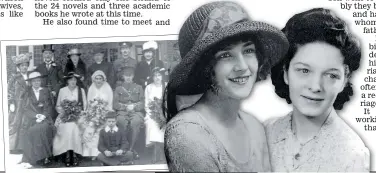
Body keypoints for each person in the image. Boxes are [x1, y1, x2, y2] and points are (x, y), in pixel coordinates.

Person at [163, 1, 289, 172]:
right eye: (226, 55)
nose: (243, 66)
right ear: (205, 68)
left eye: (248, 51)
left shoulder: (254, 126)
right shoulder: (188, 133)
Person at [266, 8, 369, 172]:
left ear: (345, 79)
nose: (316, 87)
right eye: (304, 71)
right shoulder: (266, 132)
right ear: (285, 72)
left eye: (331, 75)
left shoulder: (351, 154)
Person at [17, 72, 56, 168]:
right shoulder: (27, 93)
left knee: (43, 128)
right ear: (31, 82)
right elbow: (25, 108)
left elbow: (49, 106)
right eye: (34, 81)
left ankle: (44, 157)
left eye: (38, 80)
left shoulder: (46, 91)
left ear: (41, 81)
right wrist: (36, 116)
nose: (36, 83)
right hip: (32, 119)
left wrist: (43, 116)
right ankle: (35, 158)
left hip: (45, 118)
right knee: (32, 130)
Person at [53, 72, 87, 167]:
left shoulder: (81, 90)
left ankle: (75, 152)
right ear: (67, 81)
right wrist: (65, 112)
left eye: (75, 80)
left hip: (78, 115)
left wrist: (76, 112)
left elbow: (85, 106)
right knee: (65, 126)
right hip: (64, 114)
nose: (73, 81)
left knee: (75, 126)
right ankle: (67, 152)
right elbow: (58, 106)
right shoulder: (62, 90)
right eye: (71, 79)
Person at [81, 70, 114, 158]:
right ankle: (90, 152)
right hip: (93, 113)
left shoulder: (108, 88)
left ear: (103, 80)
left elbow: (110, 103)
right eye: (96, 79)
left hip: (105, 113)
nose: (98, 81)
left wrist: (103, 113)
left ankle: (99, 152)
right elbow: (89, 103)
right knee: (90, 126)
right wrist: (93, 114)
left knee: (101, 128)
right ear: (93, 80)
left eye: (100, 79)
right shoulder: (91, 88)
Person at [113, 67, 144, 158]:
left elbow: (143, 102)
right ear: (123, 76)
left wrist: (134, 107)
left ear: (133, 76)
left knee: (136, 122)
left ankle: (131, 149)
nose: (128, 78)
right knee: (121, 122)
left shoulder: (139, 87)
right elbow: (115, 104)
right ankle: (125, 148)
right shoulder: (118, 89)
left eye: (130, 76)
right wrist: (125, 107)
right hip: (122, 112)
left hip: (135, 111)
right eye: (126, 76)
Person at [8, 53, 33, 153]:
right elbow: (9, 91)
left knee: (25, 124)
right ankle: (12, 147)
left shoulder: (30, 76)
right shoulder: (14, 77)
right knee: (15, 123)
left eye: (26, 65)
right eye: (22, 66)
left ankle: (22, 146)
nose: (24, 67)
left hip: (28, 104)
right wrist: (11, 103)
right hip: (17, 104)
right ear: (19, 67)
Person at [35, 44, 64, 122]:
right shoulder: (39, 67)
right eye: (46, 53)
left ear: (52, 55)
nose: (48, 55)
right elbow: (36, 81)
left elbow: (62, 81)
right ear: (43, 55)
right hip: (43, 93)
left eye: (49, 53)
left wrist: (56, 90)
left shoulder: (58, 66)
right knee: (43, 110)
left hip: (54, 94)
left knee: (54, 111)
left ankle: (54, 129)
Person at [144, 67, 166, 164]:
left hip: (165, 112)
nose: (157, 78)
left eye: (159, 75)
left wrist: (163, 112)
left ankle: (159, 152)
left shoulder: (166, 86)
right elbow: (146, 104)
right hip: (152, 113)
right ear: (152, 77)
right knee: (151, 123)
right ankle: (156, 150)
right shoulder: (149, 87)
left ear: (162, 77)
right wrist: (152, 113)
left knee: (164, 122)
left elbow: (169, 101)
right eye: (155, 76)